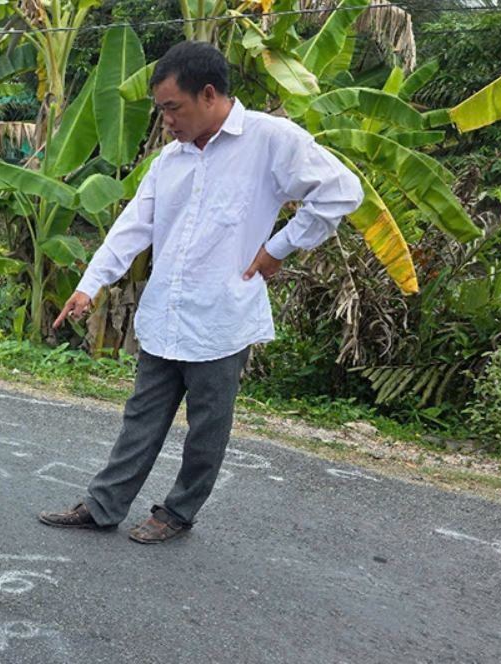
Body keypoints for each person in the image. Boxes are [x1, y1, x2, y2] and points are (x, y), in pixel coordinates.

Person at [37, 41, 363, 544]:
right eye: (161, 109)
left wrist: (279, 247)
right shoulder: (171, 160)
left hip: (222, 316)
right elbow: (132, 227)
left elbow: (342, 191)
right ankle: (104, 505)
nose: (166, 120)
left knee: (207, 427)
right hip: (167, 311)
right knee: (141, 416)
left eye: (173, 107)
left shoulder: (271, 140)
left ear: (208, 94)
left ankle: (178, 513)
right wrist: (90, 285)